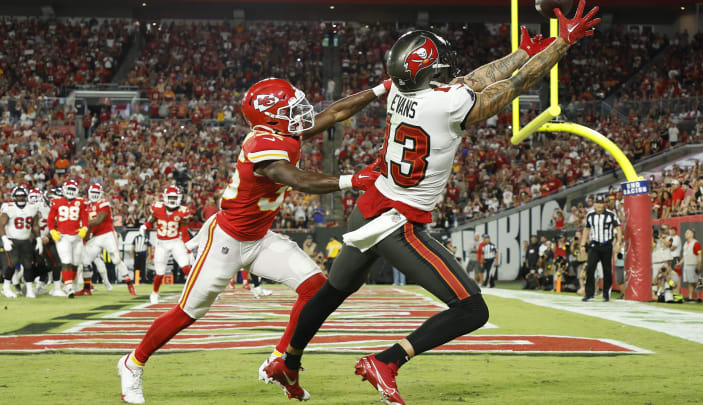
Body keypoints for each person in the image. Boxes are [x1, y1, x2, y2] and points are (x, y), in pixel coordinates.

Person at [265, 4, 600, 403]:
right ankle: (388, 360)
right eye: (436, 67)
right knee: (472, 309)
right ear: (425, 72)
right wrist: (562, 43)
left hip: (369, 207)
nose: (444, 72)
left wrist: (521, 52)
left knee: (332, 293)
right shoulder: (445, 103)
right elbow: (510, 86)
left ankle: (287, 361)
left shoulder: (397, 92)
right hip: (397, 222)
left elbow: (474, 79)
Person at [117, 76, 386, 404]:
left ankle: (279, 359)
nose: (300, 112)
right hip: (227, 239)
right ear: (271, 117)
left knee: (315, 287)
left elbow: (335, 112)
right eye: (291, 108)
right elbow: (295, 178)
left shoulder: (283, 130)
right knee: (188, 312)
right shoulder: (261, 144)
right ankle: (132, 363)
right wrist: (352, 180)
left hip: (259, 238)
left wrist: (383, 88)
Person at [139, 185, 193, 304]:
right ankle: (154, 293)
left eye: (175, 197)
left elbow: (184, 232)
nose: (173, 200)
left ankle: (196, 292)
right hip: (161, 244)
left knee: (186, 267)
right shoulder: (157, 208)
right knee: (160, 273)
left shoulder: (182, 211)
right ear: (165, 197)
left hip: (175, 242)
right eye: (171, 197)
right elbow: (151, 221)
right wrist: (144, 227)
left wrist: (188, 249)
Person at [81, 183, 136, 295]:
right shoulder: (85, 206)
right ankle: (87, 287)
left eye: (97, 193)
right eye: (93, 193)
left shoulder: (104, 203)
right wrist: (85, 235)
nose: (94, 195)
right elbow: (89, 225)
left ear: (100, 194)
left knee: (116, 259)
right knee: (85, 260)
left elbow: (99, 220)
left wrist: (82, 225)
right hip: (95, 236)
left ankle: (130, 285)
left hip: (107, 235)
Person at [48, 179, 89, 298]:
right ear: (64, 190)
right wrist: (52, 231)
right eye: (69, 189)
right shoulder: (56, 201)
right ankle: (69, 287)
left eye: (73, 189)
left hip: (77, 235)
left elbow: (84, 217)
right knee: (66, 261)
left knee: (76, 263)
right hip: (63, 236)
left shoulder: (81, 202)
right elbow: (51, 218)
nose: (70, 191)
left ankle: (69, 283)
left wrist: (84, 228)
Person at [0, 186, 41, 298]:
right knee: (12, 264)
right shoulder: (8, 207)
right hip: (12, 240)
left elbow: (35, 225)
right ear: (14, 197)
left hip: (26, 240)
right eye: (18, 196)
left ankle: (29, 290)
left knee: (28, 265)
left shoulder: (32, 207)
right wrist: (4, 239)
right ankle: (6, 287)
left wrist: (38, 239)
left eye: (22, 196)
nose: (20, 198)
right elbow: (1, 225)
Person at [580, 194, 622, 302]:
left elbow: (618, 227)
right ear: (594, 204)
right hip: (594, 245)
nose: (599, 205)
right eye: (597, 203)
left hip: (606, 245)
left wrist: (618, 242)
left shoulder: (610, 214)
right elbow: (586, 230)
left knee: (607, 270)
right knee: (590, 269)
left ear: (604, 204)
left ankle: (606, 294)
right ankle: (589, 294)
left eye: (601, 203)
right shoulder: (590, 215)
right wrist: (582, 245)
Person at [678, 228, 702, 302]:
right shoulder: (686, 243)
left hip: (694, 264)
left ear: (692, 234)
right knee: (690, 282)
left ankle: (698, 297)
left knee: (697, 281)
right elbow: (685, 255)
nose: (685, 234)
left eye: (687, 233)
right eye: (686, 233)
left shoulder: (696, 243)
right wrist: (680, 263)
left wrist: (699, 265)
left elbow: (700, 255)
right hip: (687, 265)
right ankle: (690, 297)